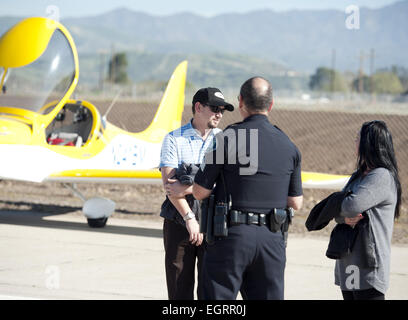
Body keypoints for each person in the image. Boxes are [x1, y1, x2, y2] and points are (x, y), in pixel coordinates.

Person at [192, 77, 303, 300]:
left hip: (231, 237)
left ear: (241, 102)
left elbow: (199, 192)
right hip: (272, 238)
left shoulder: (228, 137)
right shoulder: (289, 145)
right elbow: (296, 202)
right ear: (271, 105)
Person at [159, 87, 234, 300]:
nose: (220, 114)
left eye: (223, 110)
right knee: (179, 288)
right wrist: (190, 218)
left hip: (213, 220)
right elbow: (170, 187)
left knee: (210, 290)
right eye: (215, 109)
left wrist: (190, 187)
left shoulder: (225, 141)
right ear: (198, 107)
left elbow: (227, 185)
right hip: (178, 219)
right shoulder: (173, 139)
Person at [334, 120, 401, 300]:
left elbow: (350, 205)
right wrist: (343, 217)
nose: (355, 141)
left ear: (368, 144)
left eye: (358, 138)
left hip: (368, 268)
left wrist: (340, 209)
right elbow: (341, 211)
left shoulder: (381, 176)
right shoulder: (358, 175)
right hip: (348, 263)